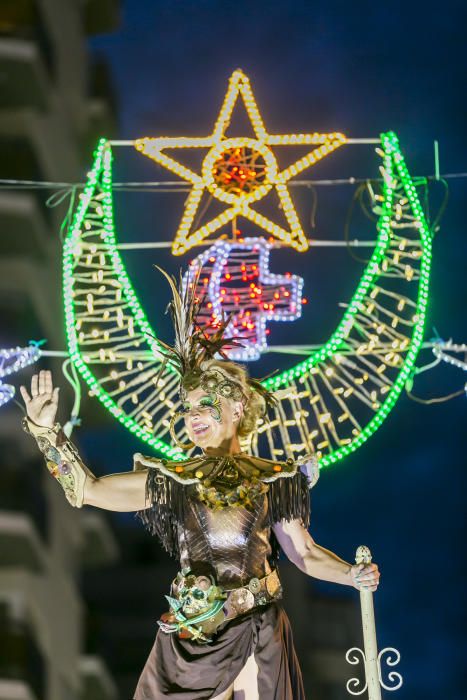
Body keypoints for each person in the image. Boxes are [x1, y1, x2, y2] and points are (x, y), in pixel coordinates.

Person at [20, 270, 380, 699]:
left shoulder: (275, 479)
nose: (193, 417)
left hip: (255, 630)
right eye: (187, 408)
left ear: (237, 406)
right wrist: (46, 433)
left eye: (205, 405)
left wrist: (350, 575)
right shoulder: (174, 480)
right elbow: (87, 490)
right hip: (189, 637)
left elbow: (303, 553)